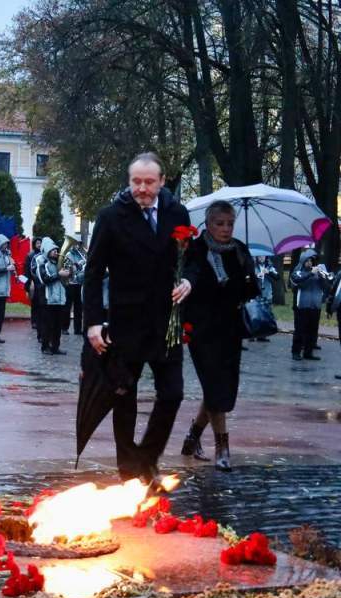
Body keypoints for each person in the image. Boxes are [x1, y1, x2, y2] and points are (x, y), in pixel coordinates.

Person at [82, 152, 195, 483]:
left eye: (149, 182)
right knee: (124, 399)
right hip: (126, 324)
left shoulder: (178, 213)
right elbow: (92, 273)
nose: (142, 189)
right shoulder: (112, 217)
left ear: (161, 181)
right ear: (129, 181)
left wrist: (189, 280)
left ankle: (147, 457)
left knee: (172, 393)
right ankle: (129, 472)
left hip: (167, 324)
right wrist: (92, 323)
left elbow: (193, 260)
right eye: (136, 182)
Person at [179, 201, 259, 472]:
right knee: (214, 386)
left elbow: (250, 290)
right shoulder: (196, 249)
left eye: (230, 224)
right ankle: (222, 447)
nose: (225, 229)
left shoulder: (239, 250)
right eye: (220, 223)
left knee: (220, 389)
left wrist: (249, 277)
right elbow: (188, 278)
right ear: (208, 223)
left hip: (230, 329)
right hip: (201, 330)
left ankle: (192, 437)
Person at [289, 248, 329, 361]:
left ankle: (308, 352)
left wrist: (323, 277)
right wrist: (310, 273)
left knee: (312, 331)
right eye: (307, 261)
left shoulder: (317, 274)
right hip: (301, 306)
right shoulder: (298, 272)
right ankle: (296, 352)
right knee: (300, 331)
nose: (310, 263)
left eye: (311, 261)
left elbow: (325, 286)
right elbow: (296, 281)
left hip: (315, 306)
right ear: (303, 261)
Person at [33, 236, 70, 354]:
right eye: (53, 250)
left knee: (57, 325)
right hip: (47, 299)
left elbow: (65, 280)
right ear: (47, 250)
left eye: (56, 250)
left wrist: (71, 271)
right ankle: (45, 347)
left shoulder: (58, 262)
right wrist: (59, 275)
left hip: (59, 298)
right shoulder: (41, 261)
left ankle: (55, 346)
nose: (56, 252)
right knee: (47, 325)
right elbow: (44, 279)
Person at [0, 235, 16, 343]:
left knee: (1, 315)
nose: (6, 246)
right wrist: (7, 269)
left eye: (7, 244)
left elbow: (10, 269)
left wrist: (13, 268)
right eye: (4, 244)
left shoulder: (7, 256)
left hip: (5, 289)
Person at [62, 240, 86, 335]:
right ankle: (64, 328)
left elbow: (83, 268)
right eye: (75, 244)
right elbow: (66, 267)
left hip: (79, 283)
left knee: (78, 308)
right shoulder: (68, 254)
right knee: (67, 307)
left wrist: (82, 265)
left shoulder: (82, 255)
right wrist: (76, 265)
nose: (77, 246)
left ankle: (78, 329)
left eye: (78, 244)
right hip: (70, 284)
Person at [253, 255, 278, 342]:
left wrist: (268, 272)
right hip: (256, 294)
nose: (261, 258)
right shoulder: (253, 266)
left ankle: (262, 336)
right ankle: (253, 334)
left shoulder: (270, 266)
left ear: (266, 257)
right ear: (256, 257)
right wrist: (256, 276)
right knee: (256, 315)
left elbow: (277, 277)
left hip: (267, 294)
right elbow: (248, 278)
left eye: (263, 256)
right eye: (259, 256)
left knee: (265, 315)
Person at [24, 236, 44, 338]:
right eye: (37, 243)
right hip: (33, 282)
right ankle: (34, 321)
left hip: (41, 283)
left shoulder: (43, 255)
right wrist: (27, 286)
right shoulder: (30, 255)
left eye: (40, 243)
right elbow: (27, 272)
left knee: (40, 303)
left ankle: (39, 321)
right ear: (34, 244)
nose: (39, 245)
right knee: (34, 303)